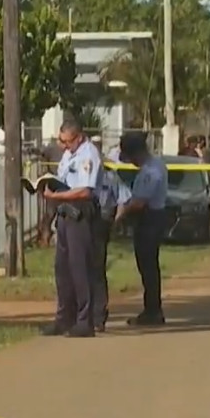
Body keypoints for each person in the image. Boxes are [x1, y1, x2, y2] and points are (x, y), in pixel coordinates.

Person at [43, 119, 102, 338]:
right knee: (62, 269)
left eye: (67, 141)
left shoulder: (88, 154)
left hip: (80, 213)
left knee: (80, 269)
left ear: (79, 137)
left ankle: (84, 321)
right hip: (65, 213)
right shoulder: (69, 154)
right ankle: (63, 319)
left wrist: (56, 195)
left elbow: (85, 191)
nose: (63, 145)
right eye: (61, 141)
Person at [116, 132, 168, 326]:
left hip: (150, 219)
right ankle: (152, 309)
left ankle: (153, 311)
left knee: (148, 268)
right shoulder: (154, 166)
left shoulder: (150, 172)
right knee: (147, 267)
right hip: (150, 218)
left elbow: (138, 203)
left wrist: (119, 216)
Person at [92, 157, 132, 333]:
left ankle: (99, 316)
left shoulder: (110, 176)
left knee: (97, 269)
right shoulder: (80, 175)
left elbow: (124, 199)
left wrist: (115, 221)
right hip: (81, 222)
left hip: (102, 222)